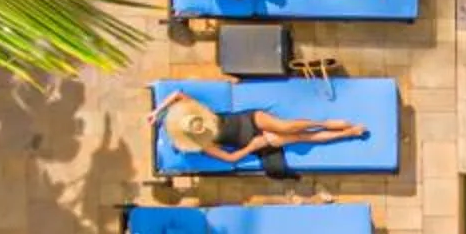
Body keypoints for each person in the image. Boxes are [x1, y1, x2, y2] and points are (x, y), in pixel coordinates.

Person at [153, 92, 370, 174]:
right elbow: (230, 158)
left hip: (250, 118)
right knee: (300, 138)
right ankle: (348, 132)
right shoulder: (203, 145)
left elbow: (177, 95)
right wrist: (253, 147)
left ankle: (322, 123)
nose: (200, 125)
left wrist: (156, 111)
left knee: (290, 127)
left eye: (197, 122)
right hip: (251, 139)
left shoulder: (195, 110)